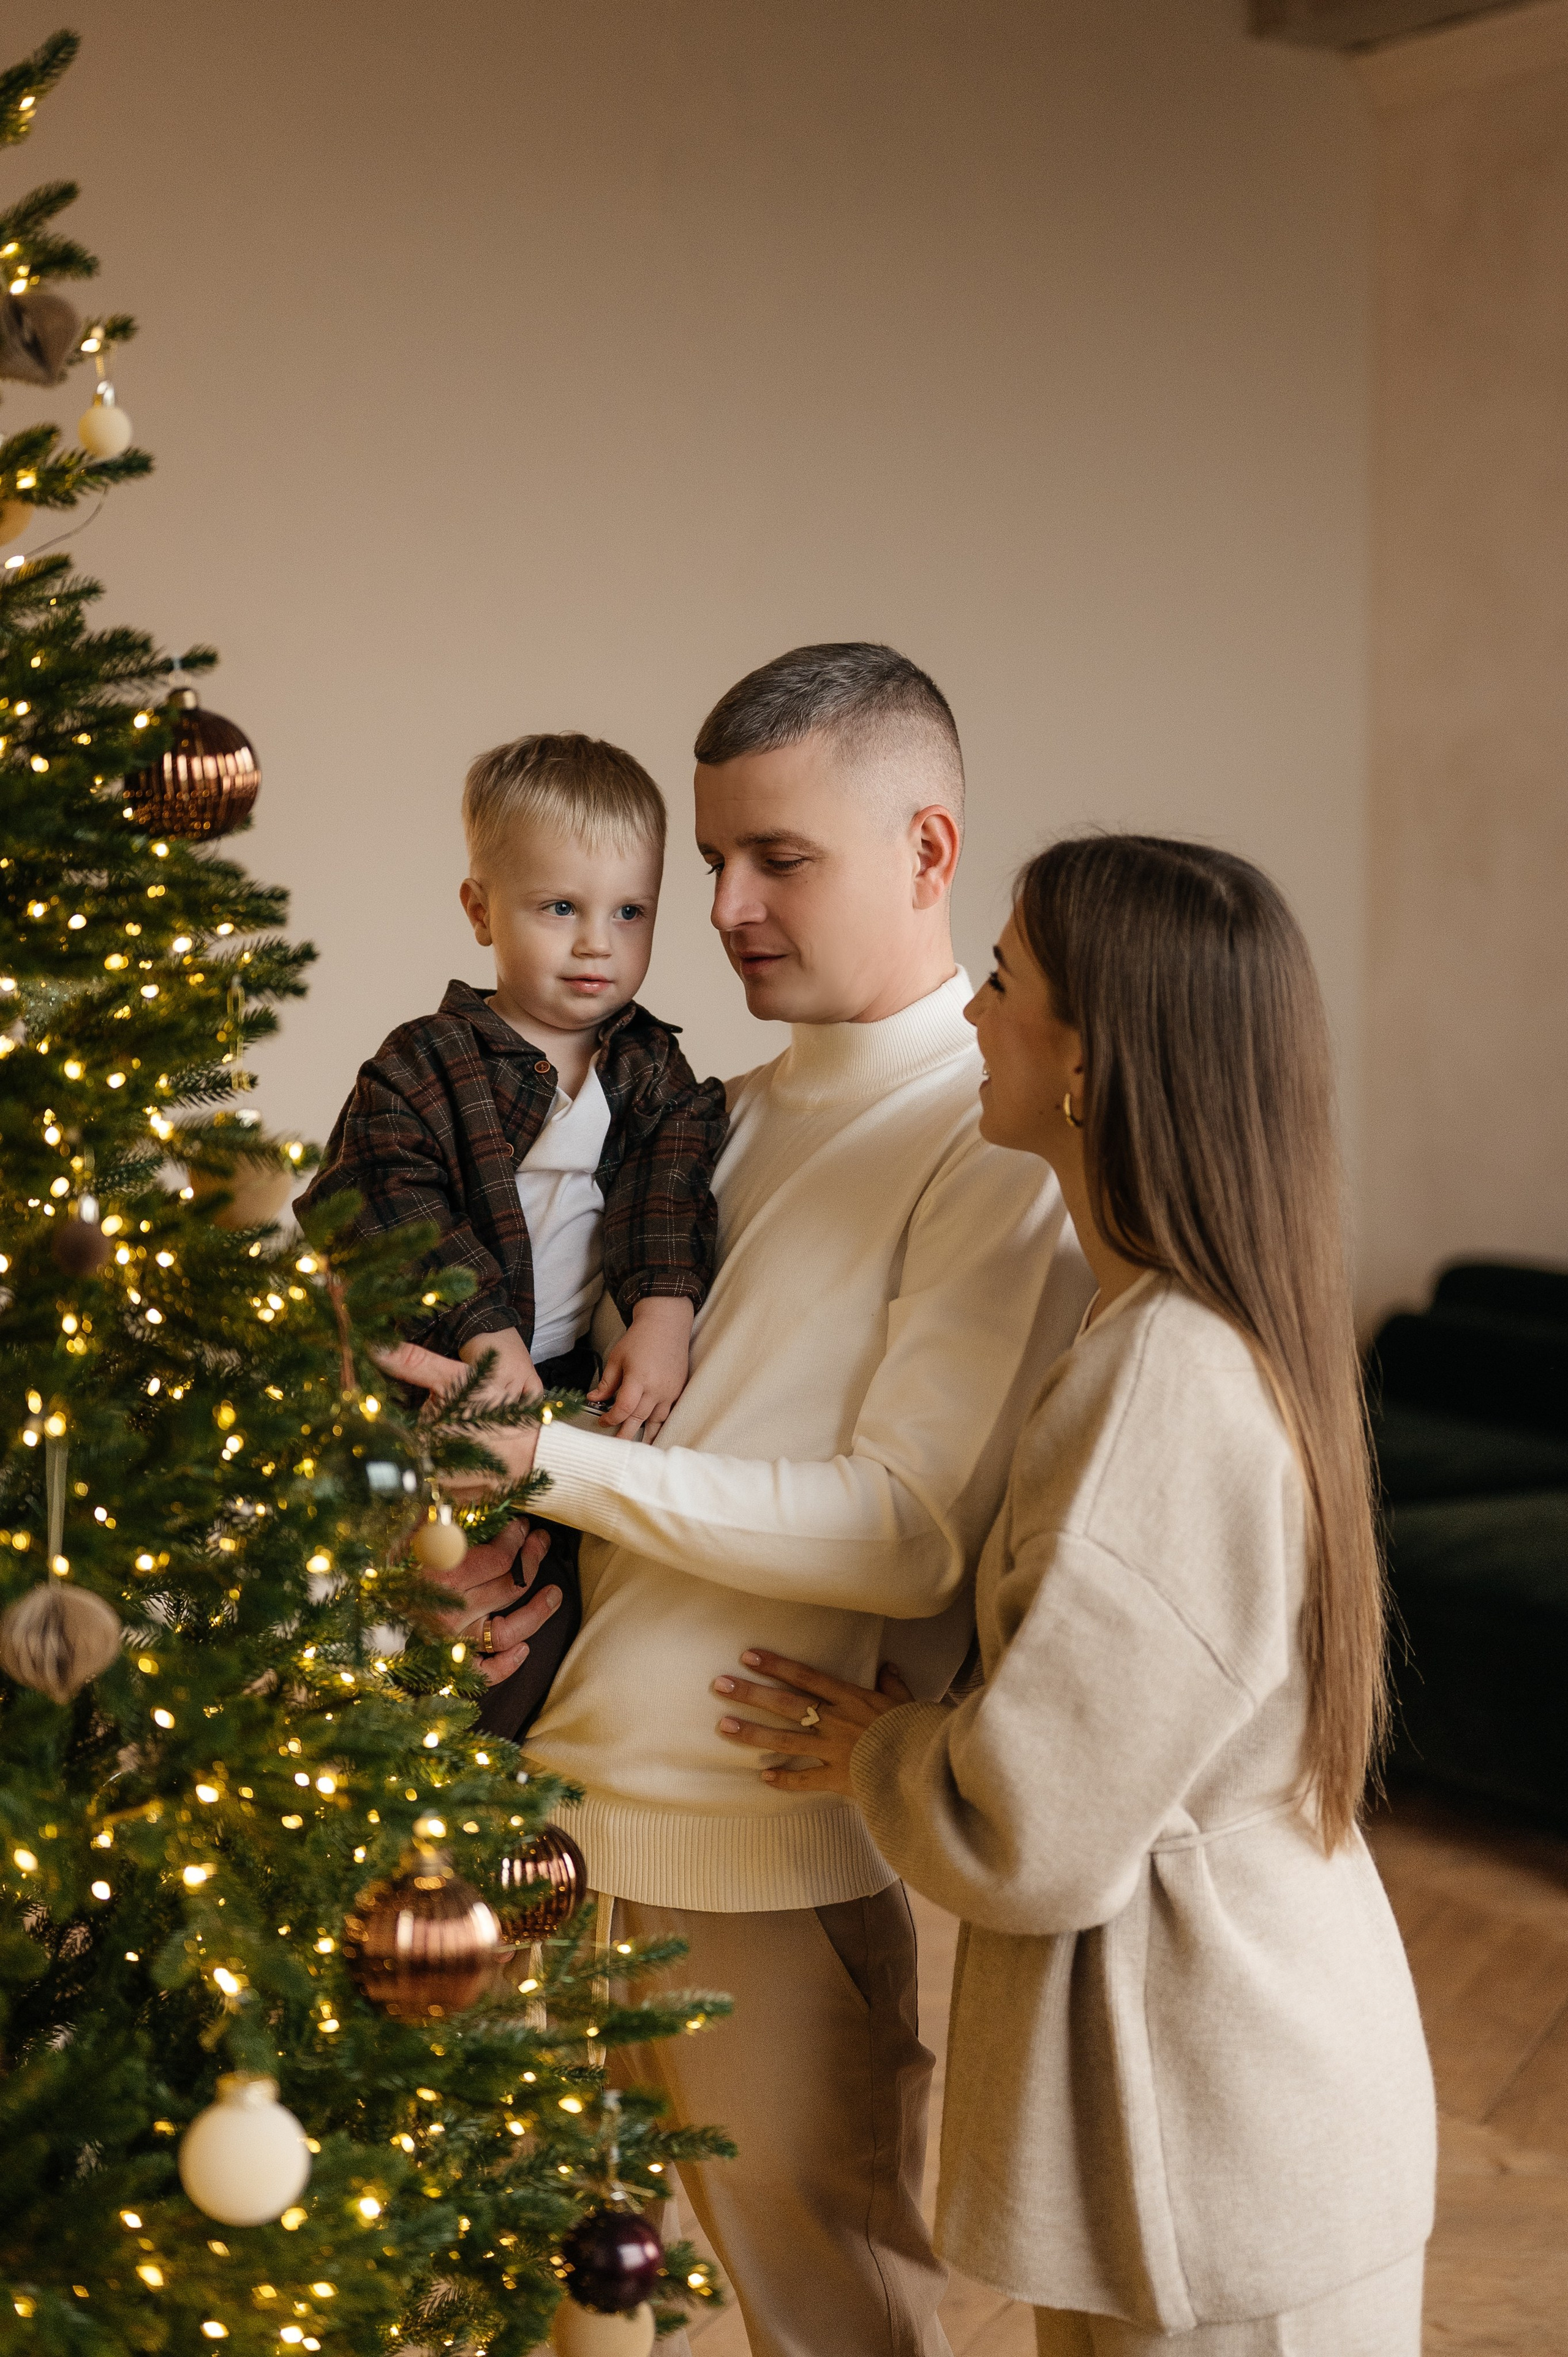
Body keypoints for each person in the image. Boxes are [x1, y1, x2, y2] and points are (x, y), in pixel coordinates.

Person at [382, 644, 1093, 2357]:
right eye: (710, 860)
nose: (722, 905)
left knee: (826, 2316)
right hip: (530, 1808)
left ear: (929, 853)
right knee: (530, 2302)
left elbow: (907, 1527)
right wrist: (454, 1569)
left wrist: (545, 1461)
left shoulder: (987, 1139)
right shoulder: (691, 1115)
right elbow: (528, 1420)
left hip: (752, 1852)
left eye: (782, 858)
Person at [711, 834, 1438, 2356]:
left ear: (1090, 1062)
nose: (969, 1013)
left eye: (1001, 980)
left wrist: (880, 1751)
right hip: (1239, 2101)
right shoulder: (1162, 1330)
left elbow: (1028, 1828)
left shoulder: (1167, 1377)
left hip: (1223, 2143)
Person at [300, 731, 727, 1738]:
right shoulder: (424, 1063)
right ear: (480, 908)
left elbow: (675, 1184)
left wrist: (665, 1315)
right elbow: (378, 1199)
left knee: (535, 1606)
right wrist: (483, 1336)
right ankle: (368, 1761)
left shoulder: (650, 1069)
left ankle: (488, 1804)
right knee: (394, 1581)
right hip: (420, 1376)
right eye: (560, 909)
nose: (598, 945)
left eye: (630, 912)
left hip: (560, 1389)